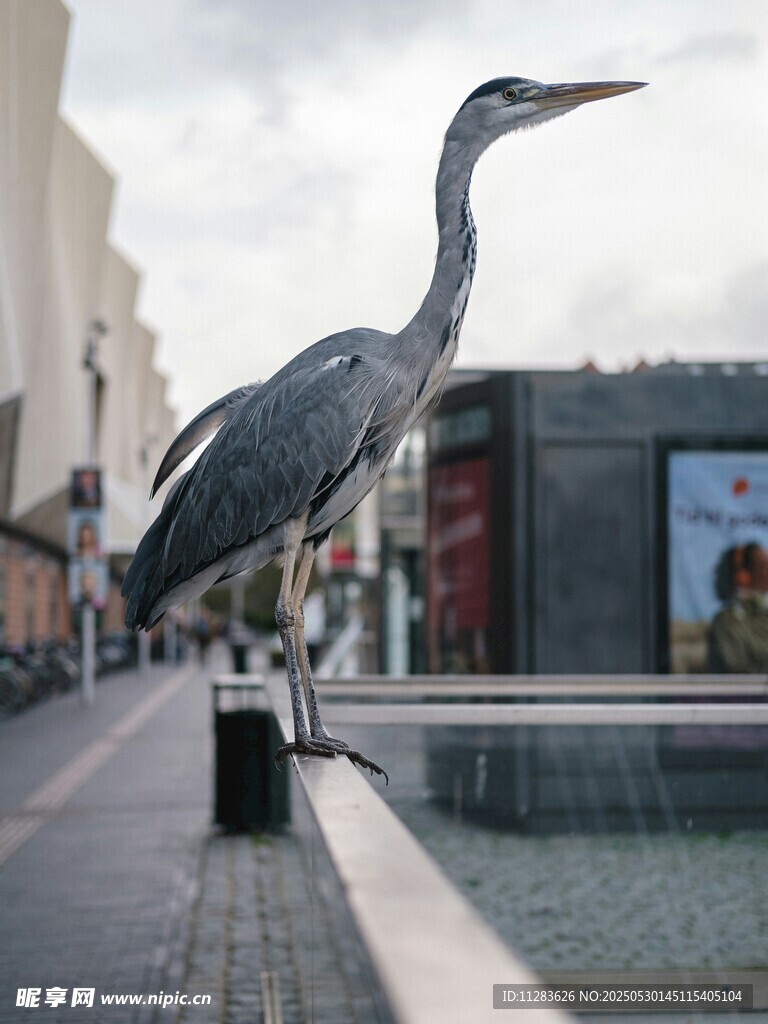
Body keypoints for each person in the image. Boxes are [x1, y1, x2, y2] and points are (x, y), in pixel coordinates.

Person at [708, 542, 768, 672]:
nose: (766, 573)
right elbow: (738, 669)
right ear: (742, 575)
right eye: (761, 566)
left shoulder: (764, 614)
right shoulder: (726, 621)